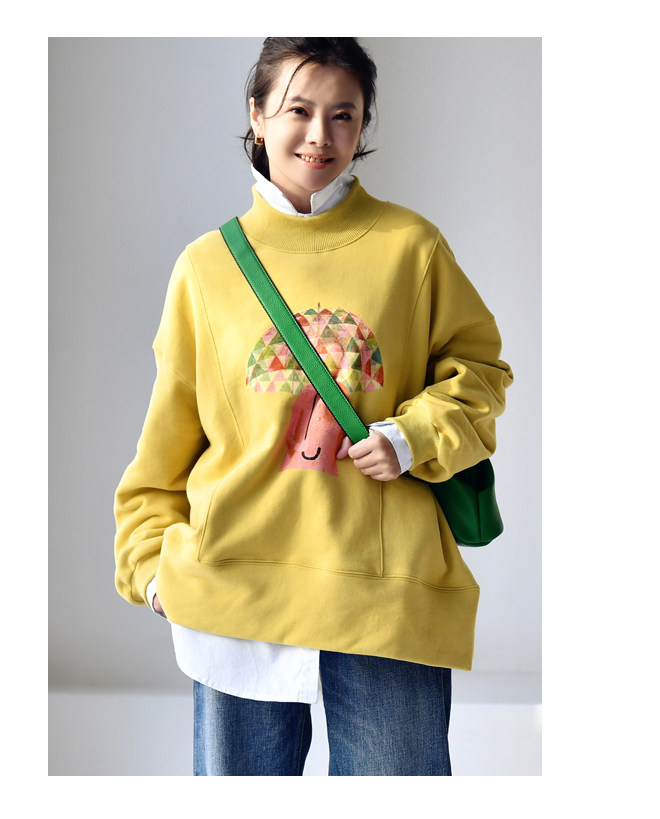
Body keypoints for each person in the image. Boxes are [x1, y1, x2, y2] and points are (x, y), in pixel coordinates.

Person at [114, 37, 513, 776]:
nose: (320, 135)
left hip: (384, 596)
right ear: (257, 116)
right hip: (235, 591)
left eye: (343, 115)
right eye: (298, 110)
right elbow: (167, 438)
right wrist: (150, 568)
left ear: (363, 127)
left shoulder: (411, 247)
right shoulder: (205, 267)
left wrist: (410, 436)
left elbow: (482, 374)